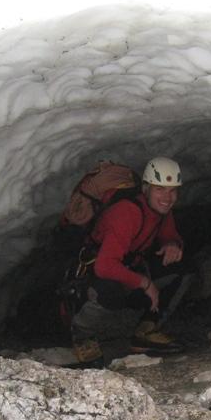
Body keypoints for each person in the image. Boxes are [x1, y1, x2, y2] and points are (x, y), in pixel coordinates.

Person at [69, 156, 189, 367]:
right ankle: (82, 336)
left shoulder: (161, 211)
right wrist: (145, 283)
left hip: (129, 268)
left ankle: (145, 331)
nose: (167, 197)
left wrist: (172, 244)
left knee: (182, 268)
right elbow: (105, 266)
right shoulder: (127, 212)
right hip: (93, 277)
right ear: (146, 188)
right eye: (160, 189)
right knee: (109, 288)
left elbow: (169, 234)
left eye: (172, 191)